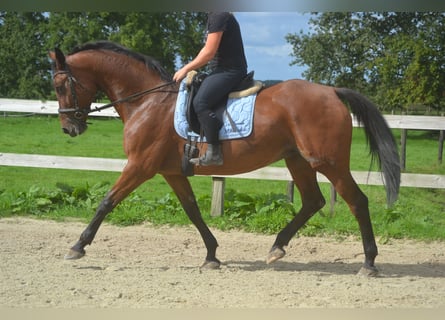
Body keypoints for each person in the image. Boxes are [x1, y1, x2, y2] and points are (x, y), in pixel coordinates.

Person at [173, 12, 248, 166]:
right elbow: (205, 49)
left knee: (200, 102)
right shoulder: (214, 17)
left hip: (230, 70)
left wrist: (185, 69)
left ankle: (214, 153)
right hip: (220, 70)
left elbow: (209, 52)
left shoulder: (219, 15)